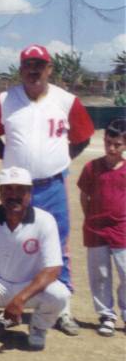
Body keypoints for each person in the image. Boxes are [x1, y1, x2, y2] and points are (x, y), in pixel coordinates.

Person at [0, 44, 95, 336]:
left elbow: (83, 135)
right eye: (28, 65)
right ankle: (3, 298)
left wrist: (59, 157)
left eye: (40, 65)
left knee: (59, 246)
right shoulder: (5, 99)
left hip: (51, 185)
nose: (34, 70)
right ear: (21, 70)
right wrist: (5, 156)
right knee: (11, 241)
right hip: (15, 189)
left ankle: (64, 309)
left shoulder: (66, 100)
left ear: (49, 69)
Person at [0, 167, 70, 350]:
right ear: (0, 194)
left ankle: (38, 327)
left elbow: (53, 269)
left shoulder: (44, 220)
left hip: (29, 286)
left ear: (29, 194)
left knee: (60, 294)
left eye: (20, 190)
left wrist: (20, 299)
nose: (14, 195)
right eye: (8, 189)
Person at [77, 118, 126, 336]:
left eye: (117, 144)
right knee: (100, 274)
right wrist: (90, 217)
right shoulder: (91, 168)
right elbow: (84, 195)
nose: (112, 148)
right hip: (96, 228)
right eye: (108, 143)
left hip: (121, 228)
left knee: (125, 272)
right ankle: (106, 314)